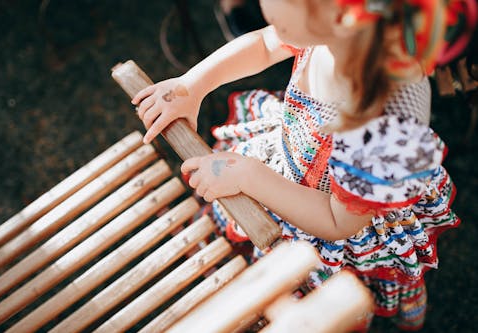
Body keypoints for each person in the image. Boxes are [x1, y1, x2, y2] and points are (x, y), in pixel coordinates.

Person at [132, 0, 475, 330]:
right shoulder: (342, 32)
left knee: (301, 287)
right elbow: (268, 43)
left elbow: (337, 220)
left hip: (335, 214)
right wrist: (195, 84)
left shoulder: (386, 128)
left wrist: (248, 175)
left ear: (341, 18)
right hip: (294, 160)